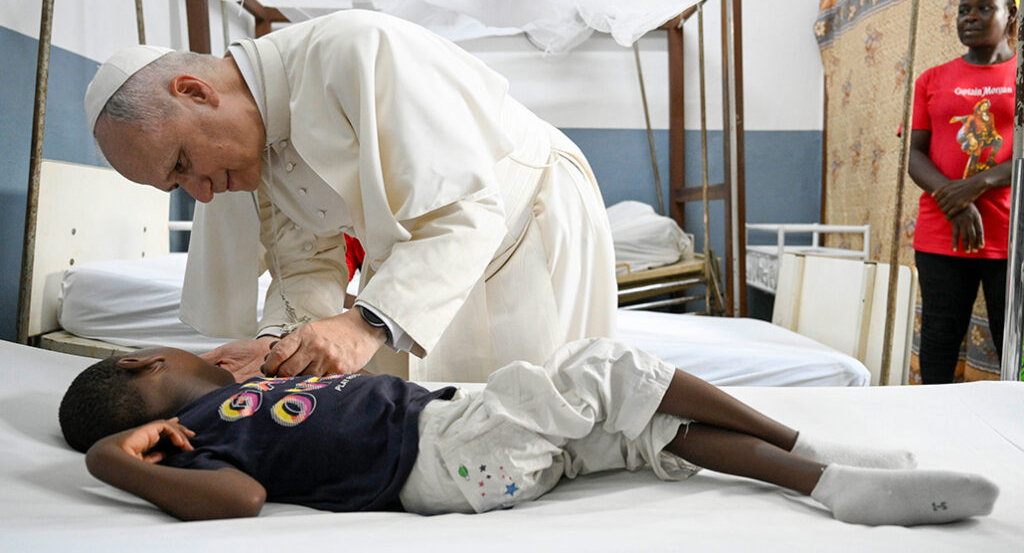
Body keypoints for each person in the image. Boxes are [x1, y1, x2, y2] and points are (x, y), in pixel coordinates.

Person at [84, 10, 617, 383]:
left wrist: (364, 324)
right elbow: (305, 260)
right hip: (429, 265)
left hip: (528, 221)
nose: (200, 194)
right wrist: (277, 349)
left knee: (543, 412)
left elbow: (466, 211)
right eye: (176, 185)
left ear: (196, 92)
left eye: (181, 164)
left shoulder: (359, 50)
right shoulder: (251, 150)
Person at [59, 341, 998, 525]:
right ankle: (815, 449)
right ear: (145, 366)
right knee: (611, 369)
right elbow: (244, 500)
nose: (215, 361)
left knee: (647, 427)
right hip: (443, 455)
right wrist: (116, 463)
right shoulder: (201, 431)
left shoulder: (226, 412)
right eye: (177, 354)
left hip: (465, 450)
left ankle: (838, 490)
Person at [908, 0, 1018, 384]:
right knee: (939, 338)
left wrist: (975, 185)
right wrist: (951, 202)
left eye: (984, 8)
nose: (969, 17)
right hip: (942, 232)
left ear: (1010, 16)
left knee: (1010, 339)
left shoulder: (1020, 78)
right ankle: (934, 431)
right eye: (963, 10)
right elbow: (916, 157)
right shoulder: (932, 80)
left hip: (1009, 235)